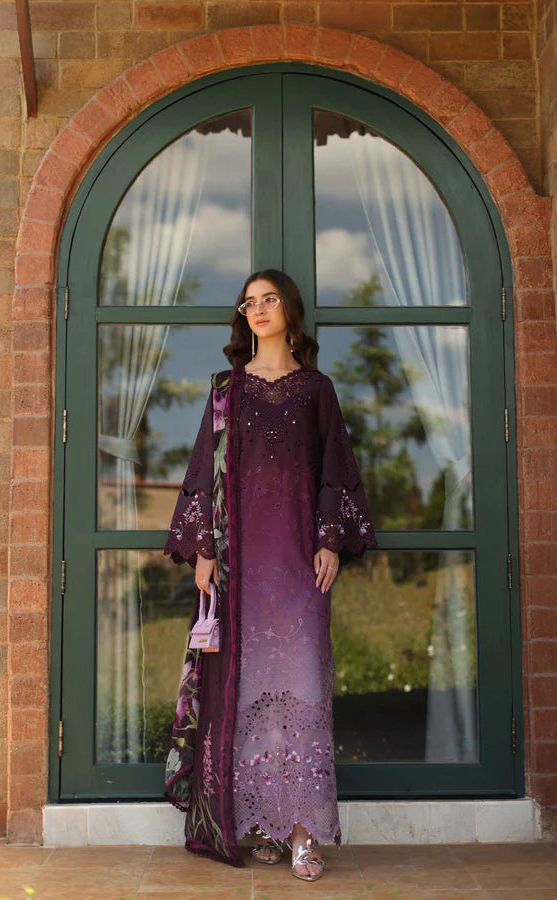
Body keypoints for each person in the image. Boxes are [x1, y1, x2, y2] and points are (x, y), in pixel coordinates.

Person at [163, 271, 377, 881]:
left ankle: (303, 830)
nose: (258, 310)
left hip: (299, 565)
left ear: (290, 310)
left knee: (301, 687)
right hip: (240, 568)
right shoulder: (225, 390)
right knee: (248, 691)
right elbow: (203, 472)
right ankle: (261, 823)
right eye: (249, 303)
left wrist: (330, 539)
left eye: (270, 299)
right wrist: (204, 549)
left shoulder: (317, 389)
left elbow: (335, 469)